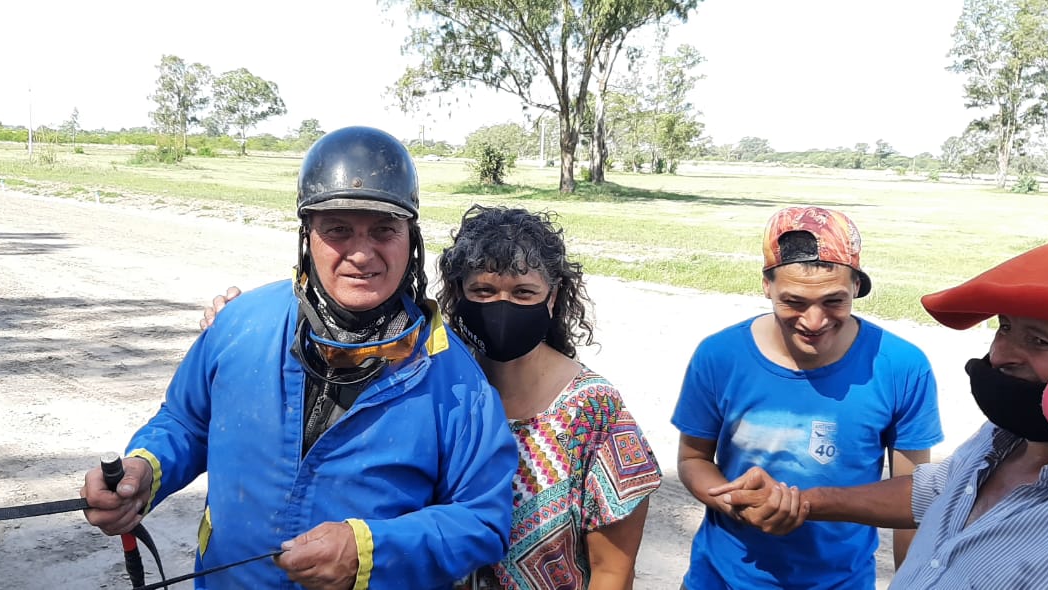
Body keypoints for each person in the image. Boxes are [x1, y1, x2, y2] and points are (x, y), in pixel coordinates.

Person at [81, 126, 517, 589]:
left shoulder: (453, 378)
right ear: (307, 236)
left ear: (411, 240)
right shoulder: (239, 324)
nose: (361, 253)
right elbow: (186, 423)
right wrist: (145, 471)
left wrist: (370, 552)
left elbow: (483, 520)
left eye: (384, 229)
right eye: (338, 229)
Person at [202, 205, 664, 589]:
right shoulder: (430, 381)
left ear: (553, 296)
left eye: (524, 293)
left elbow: (613, 571)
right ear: (458, 294)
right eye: (484, 290)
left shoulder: (593, 412)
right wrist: (235, 322)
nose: (502, 307)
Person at [714, 235, 1048, 589]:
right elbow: (937, 490)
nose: (999, 355)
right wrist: (803, 500)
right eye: (1004, 327)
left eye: (1039, 341)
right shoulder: (1002, 438)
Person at [670, 206, 943, 589]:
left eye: (834, 301)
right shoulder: (719, 356)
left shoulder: (902, 366)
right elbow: (693, 459)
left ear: (856, 287)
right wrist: (734, 503)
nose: (814, 321)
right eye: (794, 302)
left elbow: (913, 497)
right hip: (719, 579)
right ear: (767, 285)